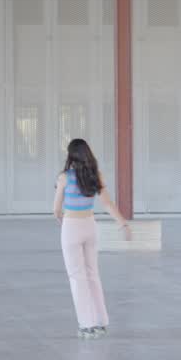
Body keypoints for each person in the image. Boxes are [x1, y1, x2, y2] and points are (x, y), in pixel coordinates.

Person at [53, 139, 130, 339]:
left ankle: (86, 325)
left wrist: (62, 219)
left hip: (71, 227)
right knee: (92, 274)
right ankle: (101, 322)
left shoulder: (64, 178)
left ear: (70, 156)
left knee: (77, 277)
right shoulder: (95, 176)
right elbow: (108, 204)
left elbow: (56, 210)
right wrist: (123, 223)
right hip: (90, 226)